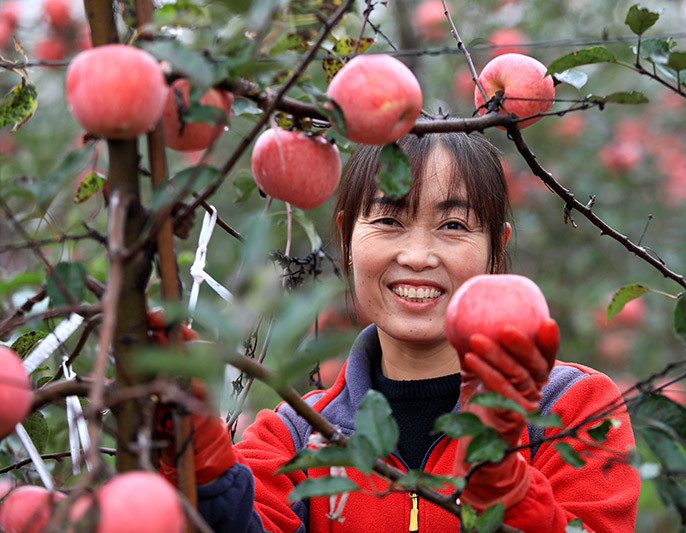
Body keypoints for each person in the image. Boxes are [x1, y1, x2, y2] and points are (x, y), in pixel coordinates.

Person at [157, 130, 640, 532]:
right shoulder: (296, 436)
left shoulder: (571, 409)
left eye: (453, 225)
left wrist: (506, 486)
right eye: (388, 220)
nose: (416, 255)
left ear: (497, 249)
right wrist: (201, 468)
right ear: (347, 239)